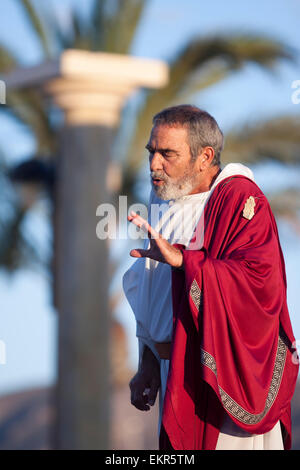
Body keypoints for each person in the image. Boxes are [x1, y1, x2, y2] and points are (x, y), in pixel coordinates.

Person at [122, 105, 299, 450]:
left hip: (224, 382)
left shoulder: (241, 198)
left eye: (167, 153)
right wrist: (147, 360)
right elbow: (154, 288)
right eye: (151, 152)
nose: (154, 164)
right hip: (173, 375)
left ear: (204, 157)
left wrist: (186, 262)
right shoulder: (161, 197)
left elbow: (261, 283)